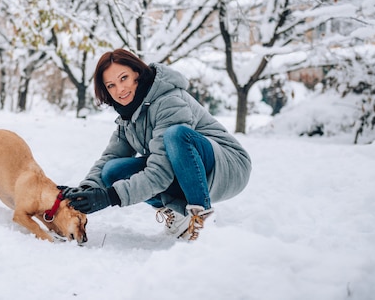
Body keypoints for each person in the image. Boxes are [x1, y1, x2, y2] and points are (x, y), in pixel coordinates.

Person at [61, 49, 251, 241]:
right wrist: (85, 190)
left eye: (124, 78)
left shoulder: (169, 101)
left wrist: (110, 197)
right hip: (185, 168)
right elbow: (110, 157)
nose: (120, 89)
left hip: (228, 166)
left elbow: (160, 173)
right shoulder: (129, 116)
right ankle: (178, 214)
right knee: (112, 170)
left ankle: (201, 218)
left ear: (137, 72)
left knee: (176, 135)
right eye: (111, 85)